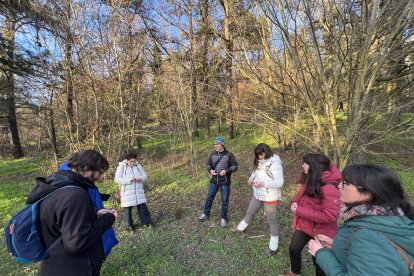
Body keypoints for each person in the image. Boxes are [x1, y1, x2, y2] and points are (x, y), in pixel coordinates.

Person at [308, 164, 414, 276]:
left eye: (346, 183)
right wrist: (339, 245)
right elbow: (381, 253)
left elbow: (371, 246)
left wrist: (321, 253)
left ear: (368, 194)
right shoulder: (390, 217)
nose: (339, 186)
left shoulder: (367, 235)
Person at [26, 150, 117, 276]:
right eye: (99, 172)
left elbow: (64, 220)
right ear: (86, 169)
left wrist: (94, 213)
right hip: (75, 269)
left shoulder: (57, 184)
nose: (99, 177)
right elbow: (78, 243)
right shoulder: (74, 195)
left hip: (54, 265)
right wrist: (108, 218)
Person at [281, 153, 342, 276]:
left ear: (314, 167)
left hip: (322, 231)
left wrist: (299, 210)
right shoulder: (310, 177)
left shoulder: (329, 188)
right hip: (305, 225)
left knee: (319, 261)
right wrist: (295, 203)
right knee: (294, 248)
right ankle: (295, 272)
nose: (302, 165)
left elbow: (329, 216)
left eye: (305, 163)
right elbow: (301, 196)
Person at [232, 143, 284, 256]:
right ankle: (241, 228)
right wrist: (251, 179)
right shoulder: (259, 161)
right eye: (257, 155)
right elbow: (254, 173)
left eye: (261, 154)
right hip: (258, 194)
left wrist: (262, 183)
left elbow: (280, 182)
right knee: (250, 212)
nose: (259, 157)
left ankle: (273, 248)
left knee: (271, 220)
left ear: (267, 151)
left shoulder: (275, 163)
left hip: (270, 196)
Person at [198, 135, 238, 227]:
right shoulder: (213, 154)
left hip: (225, 181)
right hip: (214, 181)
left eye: (216, 144)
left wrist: (226, 171)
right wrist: (210, 170)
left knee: (224, 200)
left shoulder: (229, 155)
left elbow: (235, 166)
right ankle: (206, 214)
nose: (215, 146)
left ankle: (223, 218)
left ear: (222, 144)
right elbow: (208, 164)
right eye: (214, 144)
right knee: (209, 198)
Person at [114, 151, 154, 230]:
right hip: (127, 192)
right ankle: (129, 226)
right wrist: (129, 180)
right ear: (127, 160)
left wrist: (140, 179)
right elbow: (117, 179)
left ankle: (146, 222)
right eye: (131, 161)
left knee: (142, 206)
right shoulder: (122, 166)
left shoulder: (138, 166)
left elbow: (145, 175)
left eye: (134, 161)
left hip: (138, 191)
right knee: (127, 209)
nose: (132, 163)